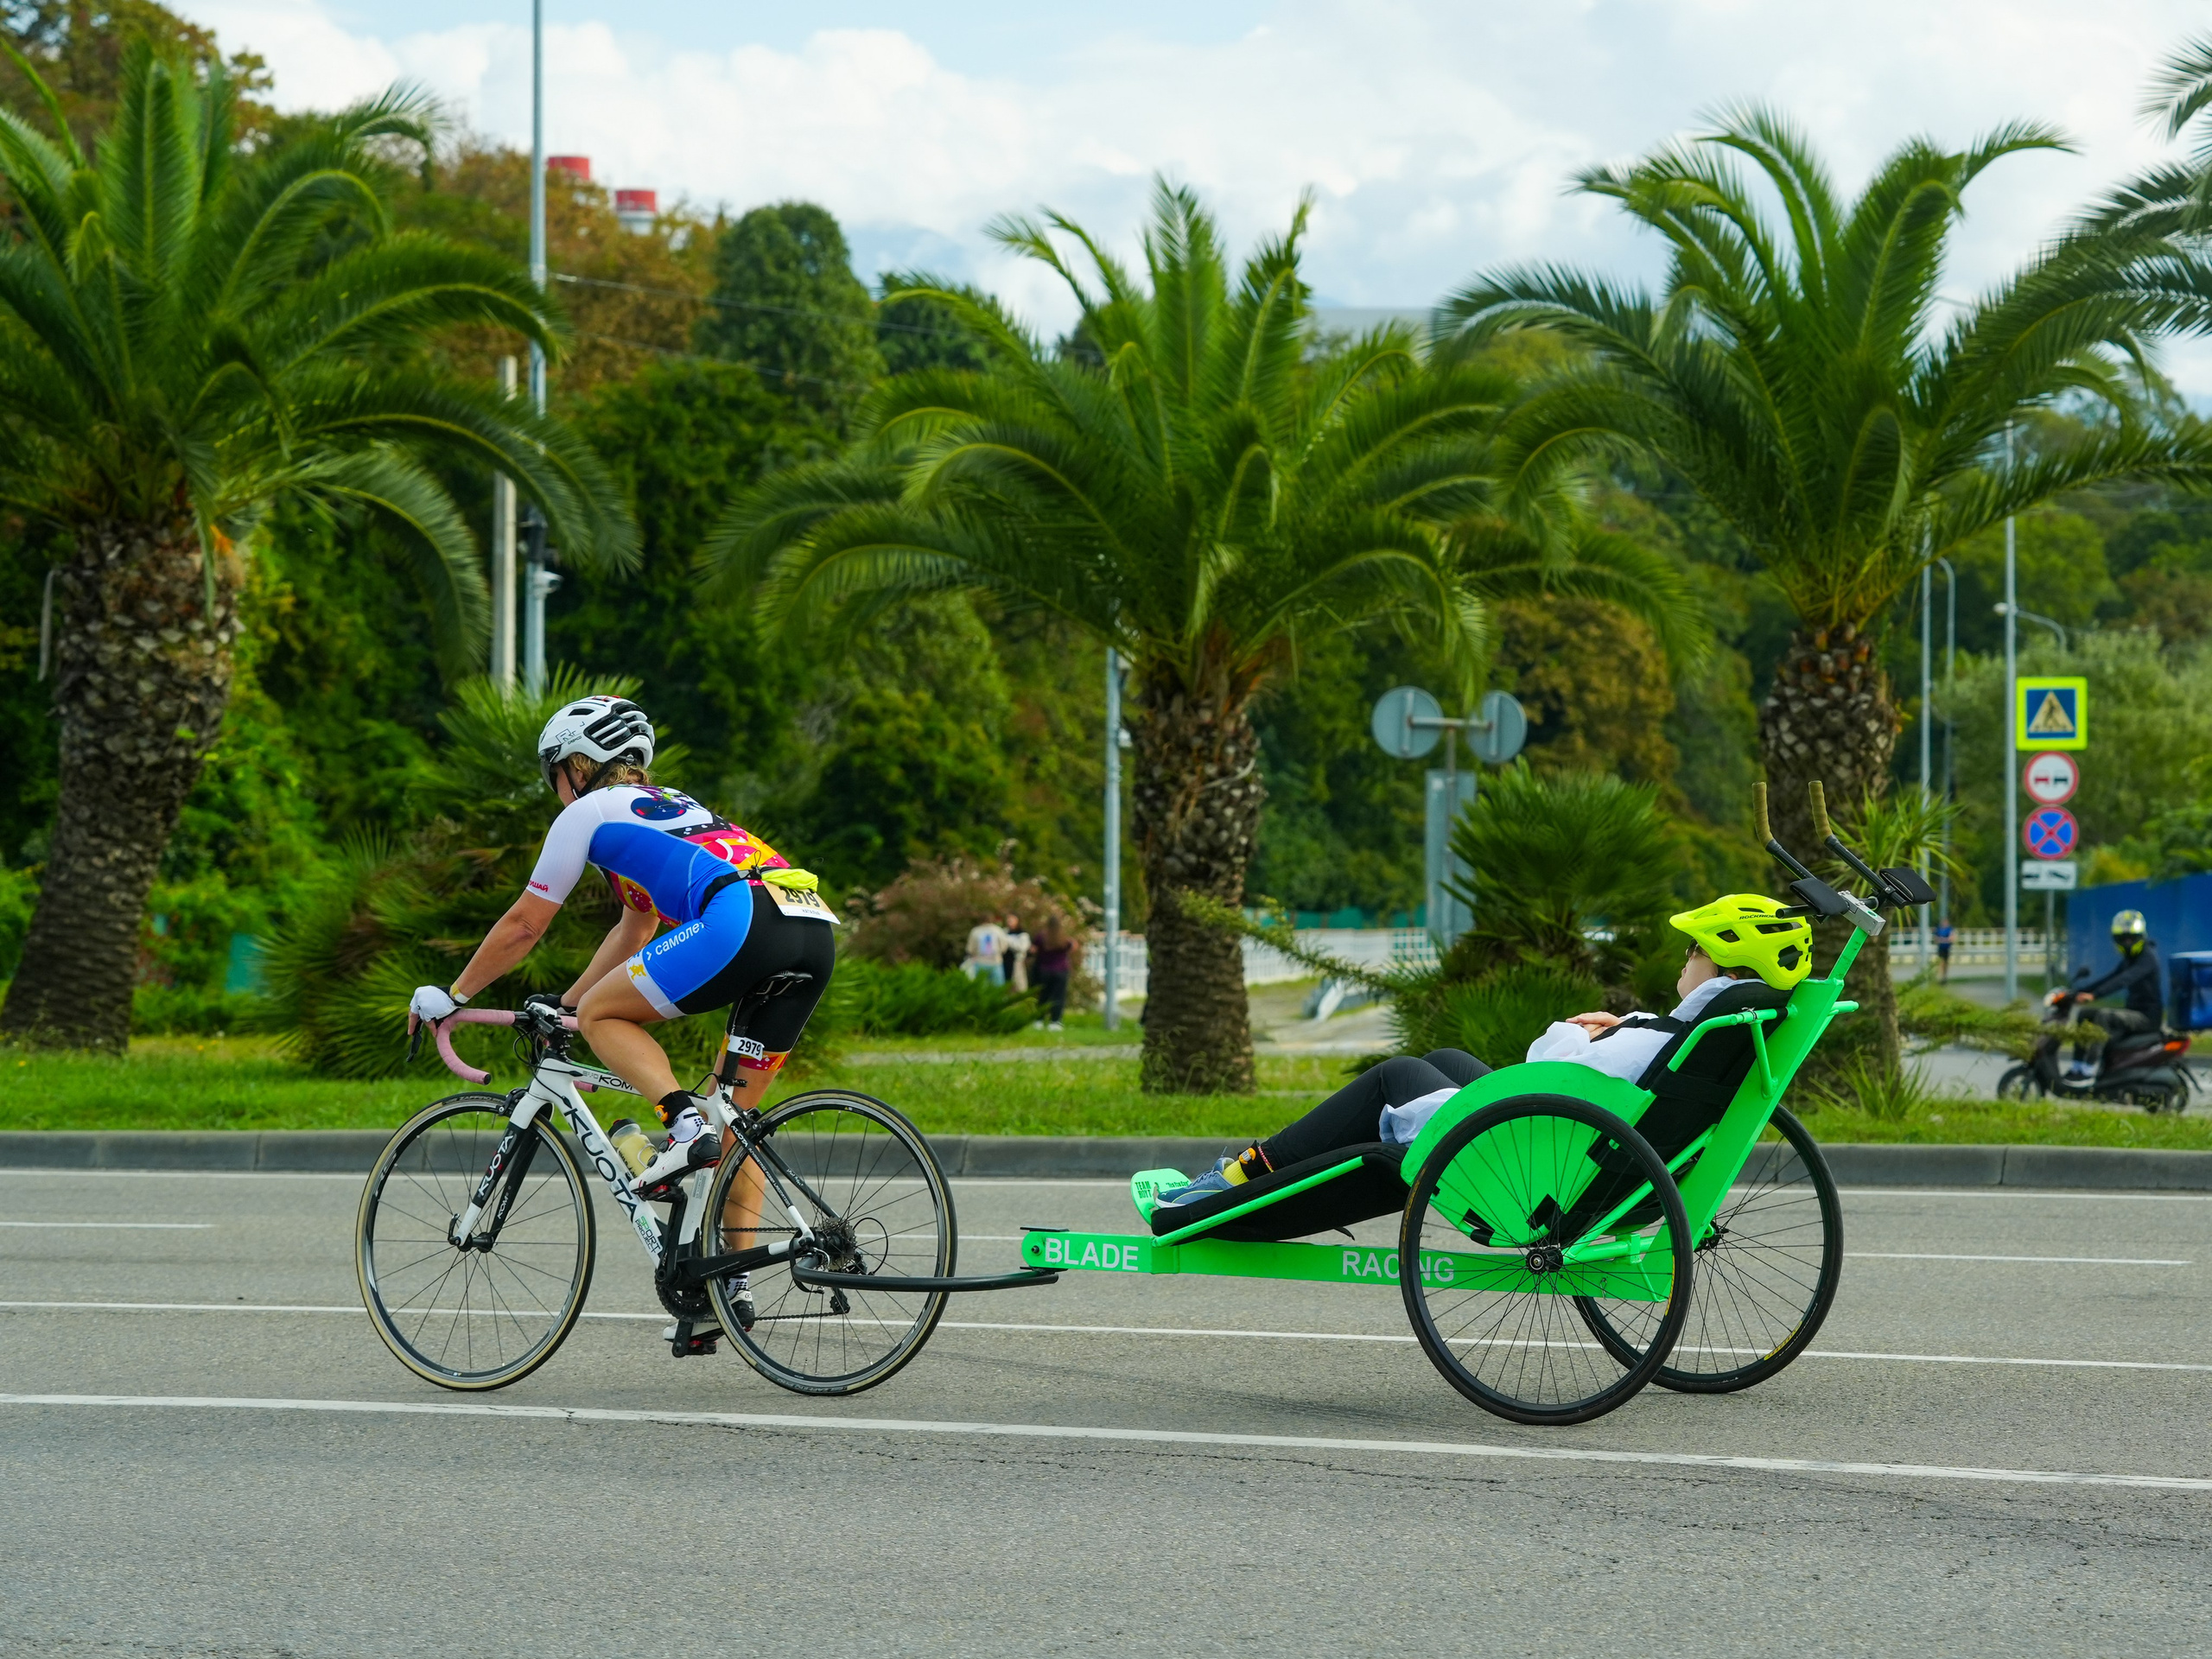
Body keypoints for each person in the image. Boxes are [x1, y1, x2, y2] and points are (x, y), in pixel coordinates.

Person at [405, 695, 834, 1195]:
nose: (557, 790)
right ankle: (730, 1275)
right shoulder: (674, 806)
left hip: (743, 917)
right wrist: (564, 1002)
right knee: (734, 1128)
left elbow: (525, 924)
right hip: (809, 924)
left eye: (555, 775)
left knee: (600, 1015)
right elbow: (635, 930)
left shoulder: (587, 813)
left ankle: (683, 1128)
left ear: (577, 764)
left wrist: (455, 994)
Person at [1156, 893, 1812, 1210]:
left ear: (1725, 974)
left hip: (1527, 1162)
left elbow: (1545, 1065)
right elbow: (1628, 1064)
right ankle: (1247, 1170)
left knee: (1396, 1076)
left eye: (1695, 951)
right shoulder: (1712, 1033)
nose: (1684, 959)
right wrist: (1624, 1027)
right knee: (1443, 1058)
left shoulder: (1656, 1037)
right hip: (1588, 1159)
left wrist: (1584, 1033)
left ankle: (1238, 1179)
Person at [2065, 909, 2164, 1081]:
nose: (2127, 942)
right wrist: (2079, 992)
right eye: (2122, 939)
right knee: (2085, 1015)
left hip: (2146, 1018)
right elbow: (2112, 977)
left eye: (2131, 938)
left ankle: (2090, 1069)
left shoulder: (2147, 957)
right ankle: (2077, 1066)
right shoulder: (2130, 959)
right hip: (2133, 1012)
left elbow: (2124, 980)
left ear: (2141, 936)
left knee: (2105, 1016)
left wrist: (2095, 995)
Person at [1030, 917, 1076, 1030]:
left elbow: (1033, 950)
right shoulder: (1063, 938)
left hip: (1044, 970)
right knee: (1058, 997)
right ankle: (1055, 1021)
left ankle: (1039, 1020)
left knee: (1043, 996)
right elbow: (1074, 946)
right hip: (1061, 970)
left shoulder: (1041, 937)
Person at [962, 915, 1007, 984]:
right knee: (998, 989)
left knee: (982, 987)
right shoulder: (998, 930)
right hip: (996, 962)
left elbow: (970, 949)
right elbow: (1004, 946)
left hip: (980, 962)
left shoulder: (975, 931)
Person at [1001, 912, 1032, 992]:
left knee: (1019, 986)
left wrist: (1008, 940)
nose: (1009, 921)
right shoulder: (1004, 932)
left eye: (1012, 919)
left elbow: (1022, 947)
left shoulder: (1022, 934)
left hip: (1016, 962)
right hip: (1004, 961)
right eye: (1008, 919)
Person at [1935, 916, 1955, 983]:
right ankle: (1940, 977)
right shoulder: (1939, 929)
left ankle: (1944, 976)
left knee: (1946, 962)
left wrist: (1943, 940)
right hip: (1941, 947)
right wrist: (1945, 940)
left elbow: (1952, 938)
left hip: (1947, 948)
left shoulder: (1949, 929)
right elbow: (1936, 938)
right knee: (1941, 962)